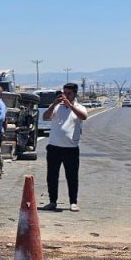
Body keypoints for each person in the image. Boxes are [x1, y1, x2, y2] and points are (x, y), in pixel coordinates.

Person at [42, 82, 88, 212]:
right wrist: (54, 104)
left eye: (69, 93)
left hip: (71, 149)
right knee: (52, 176)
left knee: (72, 176)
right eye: (64, 93)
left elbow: (84, 117)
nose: (66, 96)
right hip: (54, 147)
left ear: (75, 94)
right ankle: (52, 201)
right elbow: (45, 117)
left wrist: (70, 106)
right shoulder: (57, 107)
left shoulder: (79, 107)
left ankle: (73, 202)